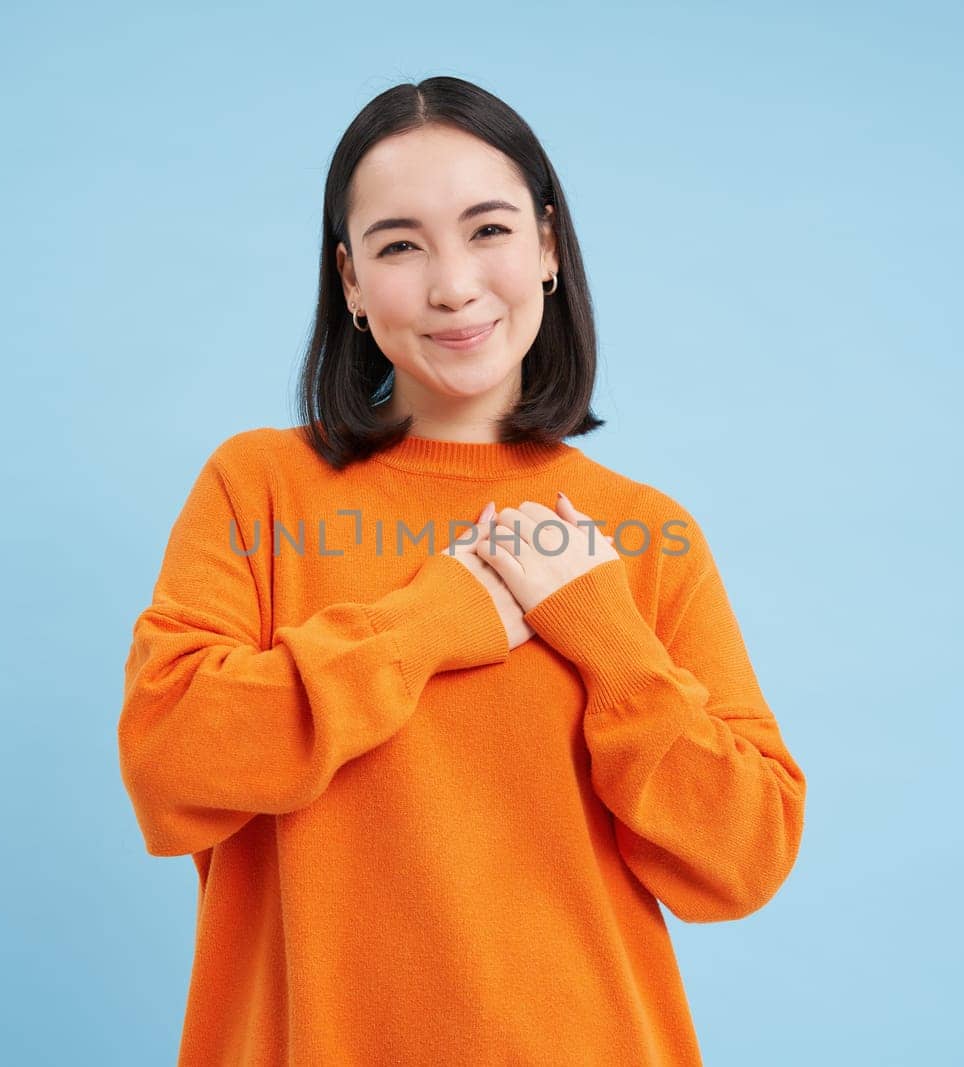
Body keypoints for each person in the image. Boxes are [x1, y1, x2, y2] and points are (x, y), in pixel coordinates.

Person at [117, 76, 807, 1066]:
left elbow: (740, 859)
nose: (452, 284)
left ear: (548, 247)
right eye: (400, 245)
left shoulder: (644, 533)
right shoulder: (258, 488)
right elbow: (171, 760)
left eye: (488, 229)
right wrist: (434, 618)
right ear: (350, 282)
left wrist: (604, 634)